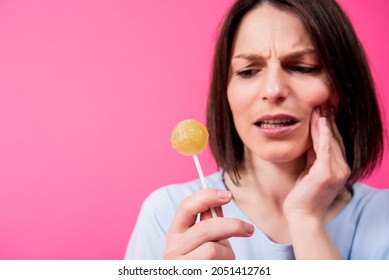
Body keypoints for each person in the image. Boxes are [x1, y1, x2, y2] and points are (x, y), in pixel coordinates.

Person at [125, 0, 388, 260]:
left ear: (342, 87)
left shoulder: (382, 217)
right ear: (226, 92)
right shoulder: (168, 213)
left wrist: (306, 220)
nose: (273, 90)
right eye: (248, 71)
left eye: (303, 67)